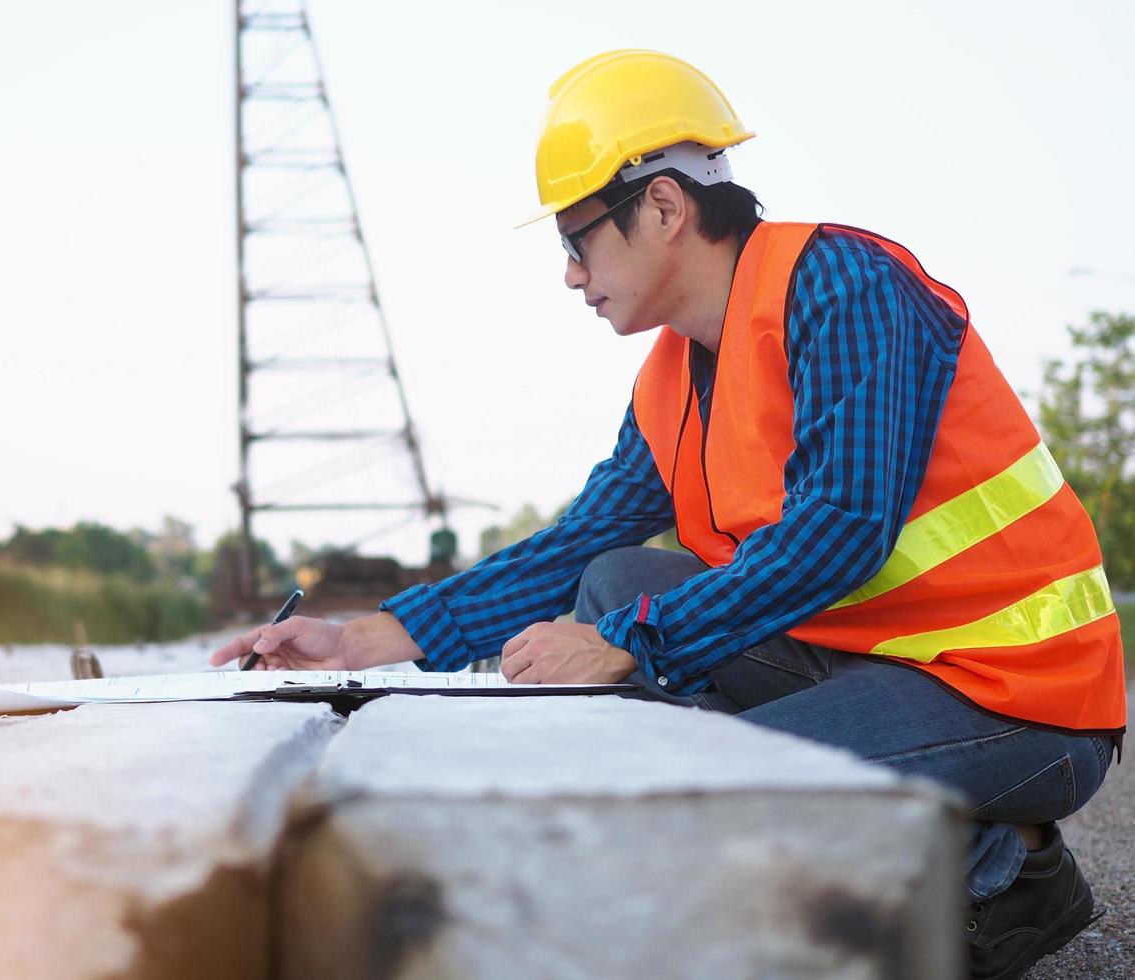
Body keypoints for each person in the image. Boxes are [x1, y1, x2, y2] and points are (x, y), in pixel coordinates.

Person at [211, 49, 1126, 979]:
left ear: (662, 207)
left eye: (577, 241)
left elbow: (844, 527)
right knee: (610, 577)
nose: (570, 274)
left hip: (1019, 693)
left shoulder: (845, 287)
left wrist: (629, 644)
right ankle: (849, 823)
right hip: (880, 658)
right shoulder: (672, 378)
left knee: (703, 779)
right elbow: (575, 545)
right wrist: (365, 639)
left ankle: (1006, 870)